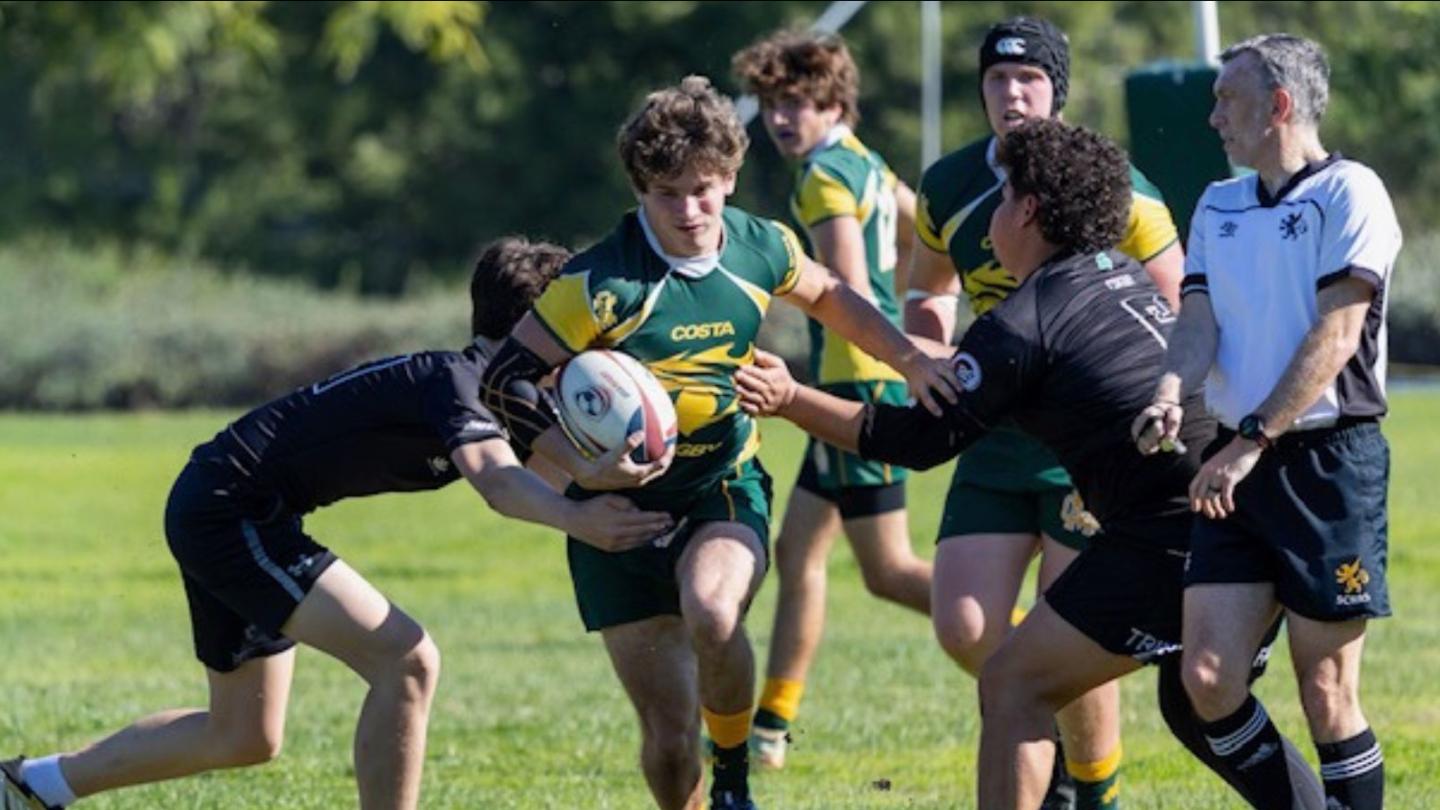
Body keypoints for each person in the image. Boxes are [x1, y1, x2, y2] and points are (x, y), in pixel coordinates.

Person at [735, 118, 1324, 810]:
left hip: (1172, 532)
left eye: (1005, 195)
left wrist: (789, 398)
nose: (990, 222)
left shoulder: (1023, 322)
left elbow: (913, 442)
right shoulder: (1121, 273)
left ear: (1028, 211)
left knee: (1015, 683)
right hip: (1241, 517)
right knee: (1200, 708)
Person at [0, 237, 676, 810]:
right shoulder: (457, 382)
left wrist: (631, 483)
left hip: (232, 507)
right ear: (535, 326)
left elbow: (549, 479)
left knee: (244, 736)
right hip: (230, 507)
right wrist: (580, 518)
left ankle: (28, 786)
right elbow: (501, 484)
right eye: (571, 326)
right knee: (407, 660)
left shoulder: (511, 403)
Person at [477, 76, 956, 810]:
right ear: (640, 189)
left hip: (720, 486)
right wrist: (583, 472)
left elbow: (833, 296)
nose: (689, 211)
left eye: (703, 190)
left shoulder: (761, 246)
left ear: (730, 177)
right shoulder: (599, 283)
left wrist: (912, 360)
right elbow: (502, 379)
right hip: (614, 521)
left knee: (712, 609)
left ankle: (734, 785)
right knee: (670, 747)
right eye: (667, 194)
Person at [902, 17, 1185, 808]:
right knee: (963, 625)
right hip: (995, 434)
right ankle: (1040, 725)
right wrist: (925, 355)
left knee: (1076, 627)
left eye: (1029, 79)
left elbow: (1179, 303)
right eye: (997, 79)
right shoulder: (950, 185)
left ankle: (1091, 791)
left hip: (1085, 447)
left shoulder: (1114, 185)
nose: (1012, 93)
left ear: (1057, 92)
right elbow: (928, 289)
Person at [1134, 33, 1401, 810]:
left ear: (1279, 105)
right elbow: (1197, 321)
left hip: (1327, 464)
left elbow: (1337, 334)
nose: (1213, 116)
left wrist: (1252, 440)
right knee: (1208, 679)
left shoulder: (1351, 193)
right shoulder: (1218, 202)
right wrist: (1168, 389)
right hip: (1236, 463)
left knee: (1326, 691)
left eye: (1228, 100)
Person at [730, 29, 931, 770]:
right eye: (771, 105)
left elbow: (842, 291)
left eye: (797, 104)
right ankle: (771, 727)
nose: (782, 119)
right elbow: (922, 230)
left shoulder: (821, 178)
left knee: (889, 570)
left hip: (854, 382)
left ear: (834, 104)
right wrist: (910, 305)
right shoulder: (867, 163)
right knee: (797, 551)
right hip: (861, 375)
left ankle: (1033, 645)